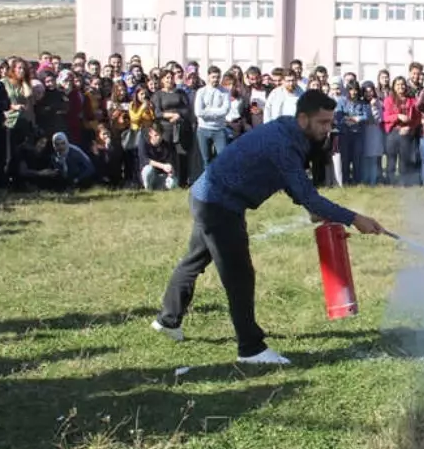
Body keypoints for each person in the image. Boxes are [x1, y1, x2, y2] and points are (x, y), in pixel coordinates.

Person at [151, 90, 386, 365]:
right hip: (219, 204)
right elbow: (306, 193)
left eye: (329, 121)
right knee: (240, 276)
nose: (327, 128)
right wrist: (355, 218)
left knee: (194, 260)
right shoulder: (283, 144)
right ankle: (251, 349)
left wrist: (313, 209)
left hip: (207, 197)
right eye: (322, 122)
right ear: (303, 118)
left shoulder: (289, 132)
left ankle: (167, 320)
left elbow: (293, 184)